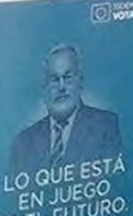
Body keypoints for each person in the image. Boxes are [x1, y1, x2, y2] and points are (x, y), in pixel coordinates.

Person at [8, 45, 122, 175]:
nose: (61, 87)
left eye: (68, 77)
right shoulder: (23, 142)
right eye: (54, 79)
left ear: (80, 81)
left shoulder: (106, 126)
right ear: (45, 87)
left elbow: (113, 179)